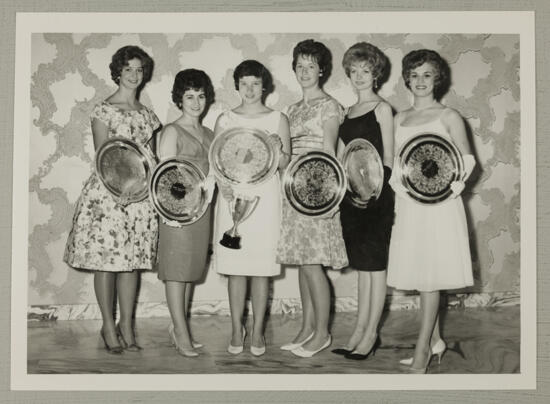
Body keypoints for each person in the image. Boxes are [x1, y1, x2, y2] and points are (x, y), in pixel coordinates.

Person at [64, 45, 160, 354]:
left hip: (141, 195)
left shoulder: (148, 114)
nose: (133, 74)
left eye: (138, 69)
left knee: (130, 263)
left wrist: (148, 187)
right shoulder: (103, 109)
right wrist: (124, 189)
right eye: (128, 69)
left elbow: (151, 157)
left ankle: (127, 327)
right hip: (108, 196)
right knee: (106, 263)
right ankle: (108, 325)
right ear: (117, 72)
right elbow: (104, 156)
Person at [387, 49, 476, 373]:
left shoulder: (449, 116)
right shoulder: (400, 118)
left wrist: (456, 183)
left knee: (430, 278)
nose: (421, 81)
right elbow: (397, 163)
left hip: (441, 206)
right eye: (414, 75)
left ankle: (423, 348)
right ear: (407, 79)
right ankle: (436, 340)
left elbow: (466, 159)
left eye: (427, 74)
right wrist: (397, 183)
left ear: (437, 78)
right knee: (422, 272)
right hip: (410, 205)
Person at [212, 60, 291, 356]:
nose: (249, 89)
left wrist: (279, 149)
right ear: (237, 86)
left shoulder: (277, 118)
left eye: (255, 83)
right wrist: (223, 186)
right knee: (236, 270)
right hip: (233, 198)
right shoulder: (225, 119)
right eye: (244, 83)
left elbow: (285, 164)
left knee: (261, 269)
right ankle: (236, 328)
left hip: (266, 199)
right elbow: (217, 160)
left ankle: (257, 331)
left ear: (264, 85)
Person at [276, 39, 348, 358]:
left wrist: (326, 196)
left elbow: (331, 152)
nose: (305, 71)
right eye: (300, 66)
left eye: (311, 66)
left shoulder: (329, 106)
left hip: (318, 190)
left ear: (322, 70)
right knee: (304, 264)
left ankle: (322, 333)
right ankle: (306, 328)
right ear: (295, 70)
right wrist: (275, 150)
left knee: (313, 263)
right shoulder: (291, 110)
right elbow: (287, 156)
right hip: (293, 189)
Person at [332, 42, 395, 360]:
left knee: (376, 265)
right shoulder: (346, 112)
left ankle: (371, 334)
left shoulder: (383, 109)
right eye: (354, 70)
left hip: (379, 195)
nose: (359, 76)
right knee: (363, 267)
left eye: (365, 70)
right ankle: (358, 330)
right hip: (351, 196)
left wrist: (375, 194)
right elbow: (343, 156)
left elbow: (389, 157)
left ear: (376, 74)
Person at [156, 69, 216, 357]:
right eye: (189, 96)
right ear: (179, 99)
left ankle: (177, 327)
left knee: (190, 269)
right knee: (176, 271)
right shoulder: (171, 130)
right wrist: (173, 211)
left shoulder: (209, 133)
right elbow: (164, 177)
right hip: (177, 211)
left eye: (200, 96)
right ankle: (181, 332)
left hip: (202, 209)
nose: (195, 102)